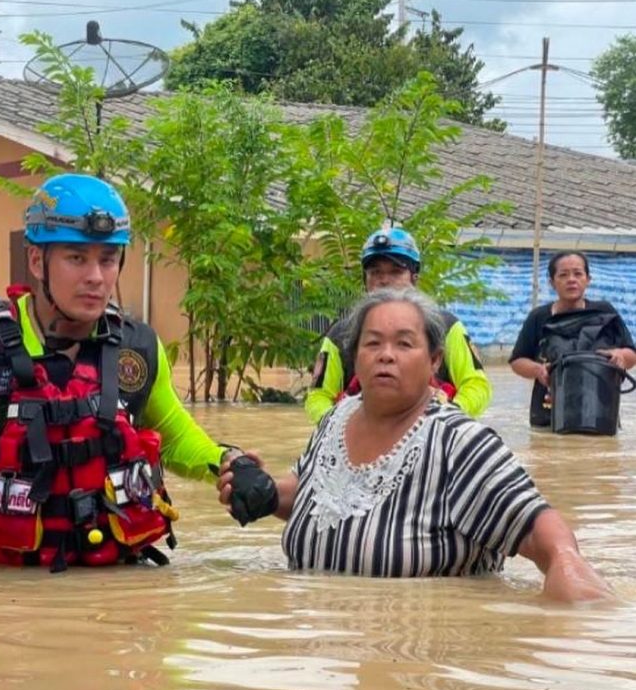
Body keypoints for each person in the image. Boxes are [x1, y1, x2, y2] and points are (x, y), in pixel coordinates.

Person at [0, 173, 263, 594]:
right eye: (77, 258)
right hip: (9, 596)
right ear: (37, 261)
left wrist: (230, 464)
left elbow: (175, 439)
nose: (97, 277)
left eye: (108, 259)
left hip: (126, 590)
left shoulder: (139, 346)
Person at [219, 289, 610, 602]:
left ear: (434, 361)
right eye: (372, 343)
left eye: (404, 344)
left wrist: (566, 566)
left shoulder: (457, 442)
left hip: (417, 669)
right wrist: (264, 491)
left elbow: (535, 526)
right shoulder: (336, 421)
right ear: (355, 358)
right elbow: (316, 492)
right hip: (326, 673)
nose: (386, 355)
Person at [306, 226, 491, 423]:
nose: (384, 281)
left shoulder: (446, 326)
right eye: (375, 272)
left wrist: (444, 418)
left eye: (396, 272)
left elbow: (476, 385)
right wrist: (339, 425)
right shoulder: (340, 334)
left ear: (414, 279)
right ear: (365, 280)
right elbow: (318, 396)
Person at [509, 251, 636, 427]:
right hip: (549, 412)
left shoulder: (605, 312)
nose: (571, 279)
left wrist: (620, 355)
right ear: (552, 282)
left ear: (588, 279)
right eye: (563, 275)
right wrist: (538, 370)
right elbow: (517, 361)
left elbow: (631, 354)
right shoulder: (538, 317)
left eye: (578, 273)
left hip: (600, 412)